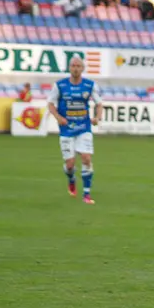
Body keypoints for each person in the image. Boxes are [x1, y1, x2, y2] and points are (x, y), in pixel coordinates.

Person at [47, 56, 103, 205]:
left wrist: (97, 118)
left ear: (83, 68)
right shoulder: (59, 85)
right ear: (69, 68)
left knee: (86, 158)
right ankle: (71, 179)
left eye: (79, 66)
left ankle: (86, 194)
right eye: (73, 66)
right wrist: (58, 117)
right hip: (66, 129)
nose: (76, 68)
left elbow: (99, 104)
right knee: (70, 164)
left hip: (84, 127)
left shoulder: (90, 85)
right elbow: (51, 104)